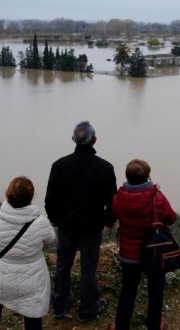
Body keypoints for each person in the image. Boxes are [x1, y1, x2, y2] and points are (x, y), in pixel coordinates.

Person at [45, 121, 117, 322]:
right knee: (88, 268)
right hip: (92, 226)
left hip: (66, 225)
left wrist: (55, 219)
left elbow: (50, 199)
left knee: (63, 265)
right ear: (94, 140)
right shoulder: (105, 167)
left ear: (73, 140)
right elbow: (112, 201)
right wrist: (109, 220)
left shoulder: (59, 165)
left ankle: (59, 306)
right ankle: (87, 311)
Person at [109, 159, 176, 330]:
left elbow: (116, 215)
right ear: (148, 176)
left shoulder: (118, 198)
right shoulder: (157, 197)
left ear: (127, 177)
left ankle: (121, 326)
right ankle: (154, 325)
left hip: (128, 254)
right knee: (155, 290)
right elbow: (171, 218)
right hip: (153, 253)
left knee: (128, 290)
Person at [0, 176, 56, 330]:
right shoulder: (40, 222)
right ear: (31, 196)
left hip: (4, 276)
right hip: (34, 279)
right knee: (33, 314)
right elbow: (51, 240)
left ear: (8, 195)